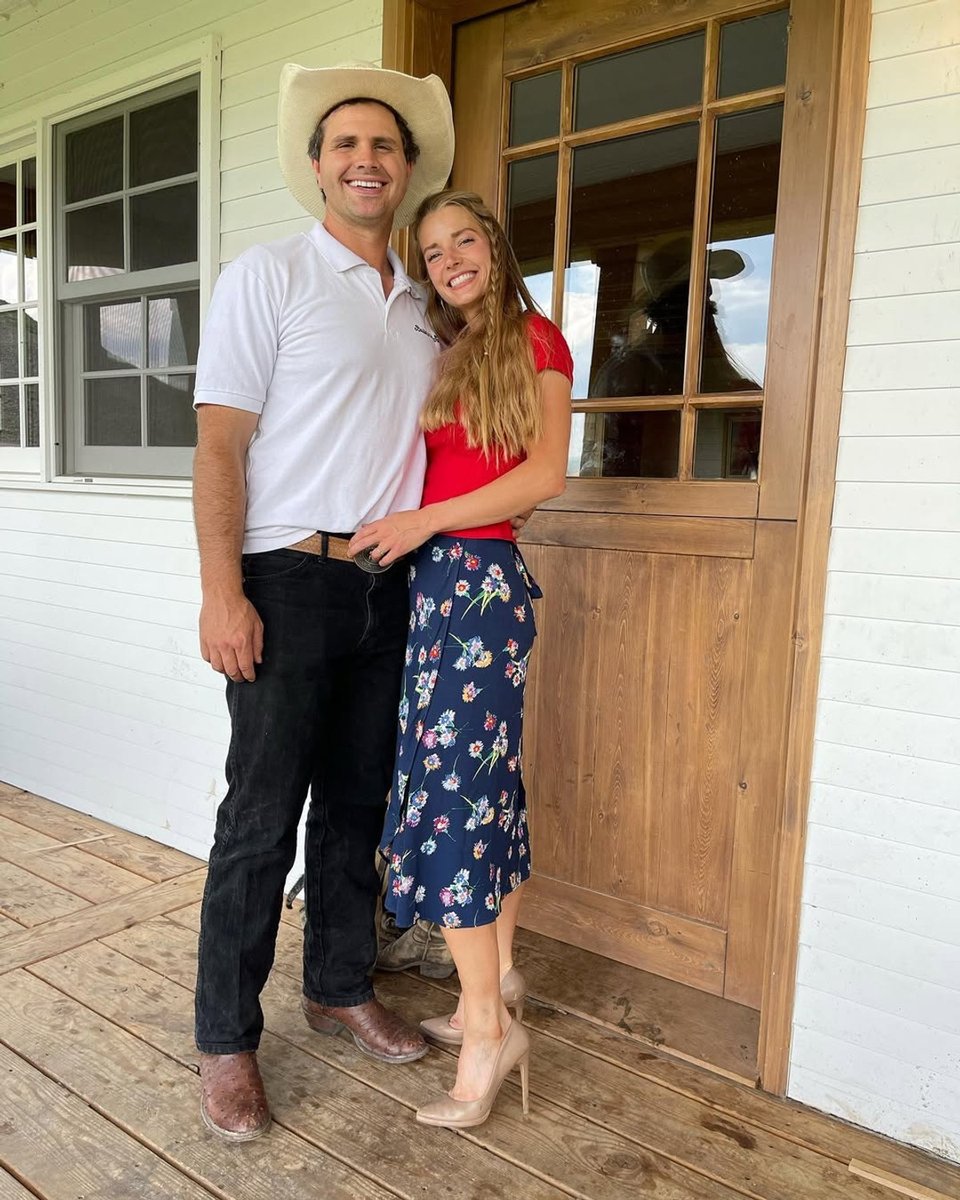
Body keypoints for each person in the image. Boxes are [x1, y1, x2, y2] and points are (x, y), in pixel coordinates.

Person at [190, 61, 454, 1141]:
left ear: (406, 170)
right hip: (286, 579)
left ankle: (340, 984)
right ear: (318, 168)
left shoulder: (429, 306)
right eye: (345, 144)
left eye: (383, 147)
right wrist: (222, 593)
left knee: (355, 811)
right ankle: (226, 1041)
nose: (365, 160)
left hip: (387, 588)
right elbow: (219, 443)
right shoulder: (271, 276)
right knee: (259, 820)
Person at [349, 190, 574, 1129]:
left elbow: (544, 474)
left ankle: (488, 1030)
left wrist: (425, 522)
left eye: (464, 241)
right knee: (484, 786)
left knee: (455, 800)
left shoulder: (534, 338)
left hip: (477, 582)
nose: (448, 260)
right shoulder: (455, 350)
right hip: (442, 583)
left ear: (496, 246)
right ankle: (498, 981)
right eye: (433, 251)